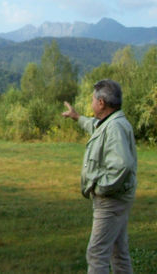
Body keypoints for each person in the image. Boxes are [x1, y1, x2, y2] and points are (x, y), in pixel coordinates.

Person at [62, 79, 137, 274]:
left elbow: (123, 165)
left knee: (96, 254)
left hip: (111, 201)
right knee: (118, 252)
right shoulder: (111, 123)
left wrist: (100, 188)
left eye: (93, 100)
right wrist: (77, 117)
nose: (92, 103)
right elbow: (95, 126)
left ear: (101, 103)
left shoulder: (115, 128)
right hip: (118, 200)